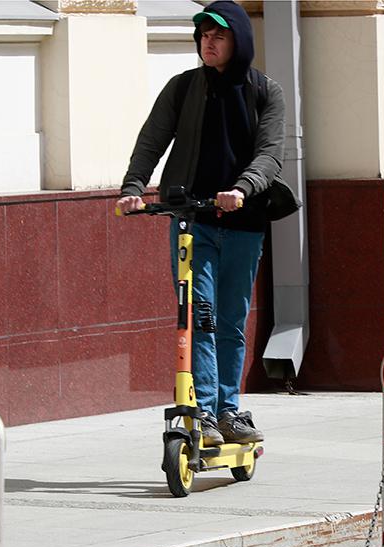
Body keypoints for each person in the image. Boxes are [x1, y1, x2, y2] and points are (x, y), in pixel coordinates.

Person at [116, 0, 283, 446]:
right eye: (204, 36)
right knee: (200, 316)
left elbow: (270, 153)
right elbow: (152, 139)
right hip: (193, 221)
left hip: (243, 221)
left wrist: (244, 188)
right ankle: (205, 412)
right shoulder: (183, 88)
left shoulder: (265, 92)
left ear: (239, 42)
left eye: (219, 36)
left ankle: (230, 410)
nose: (209, 43)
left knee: (230, 320)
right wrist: (134, 187)